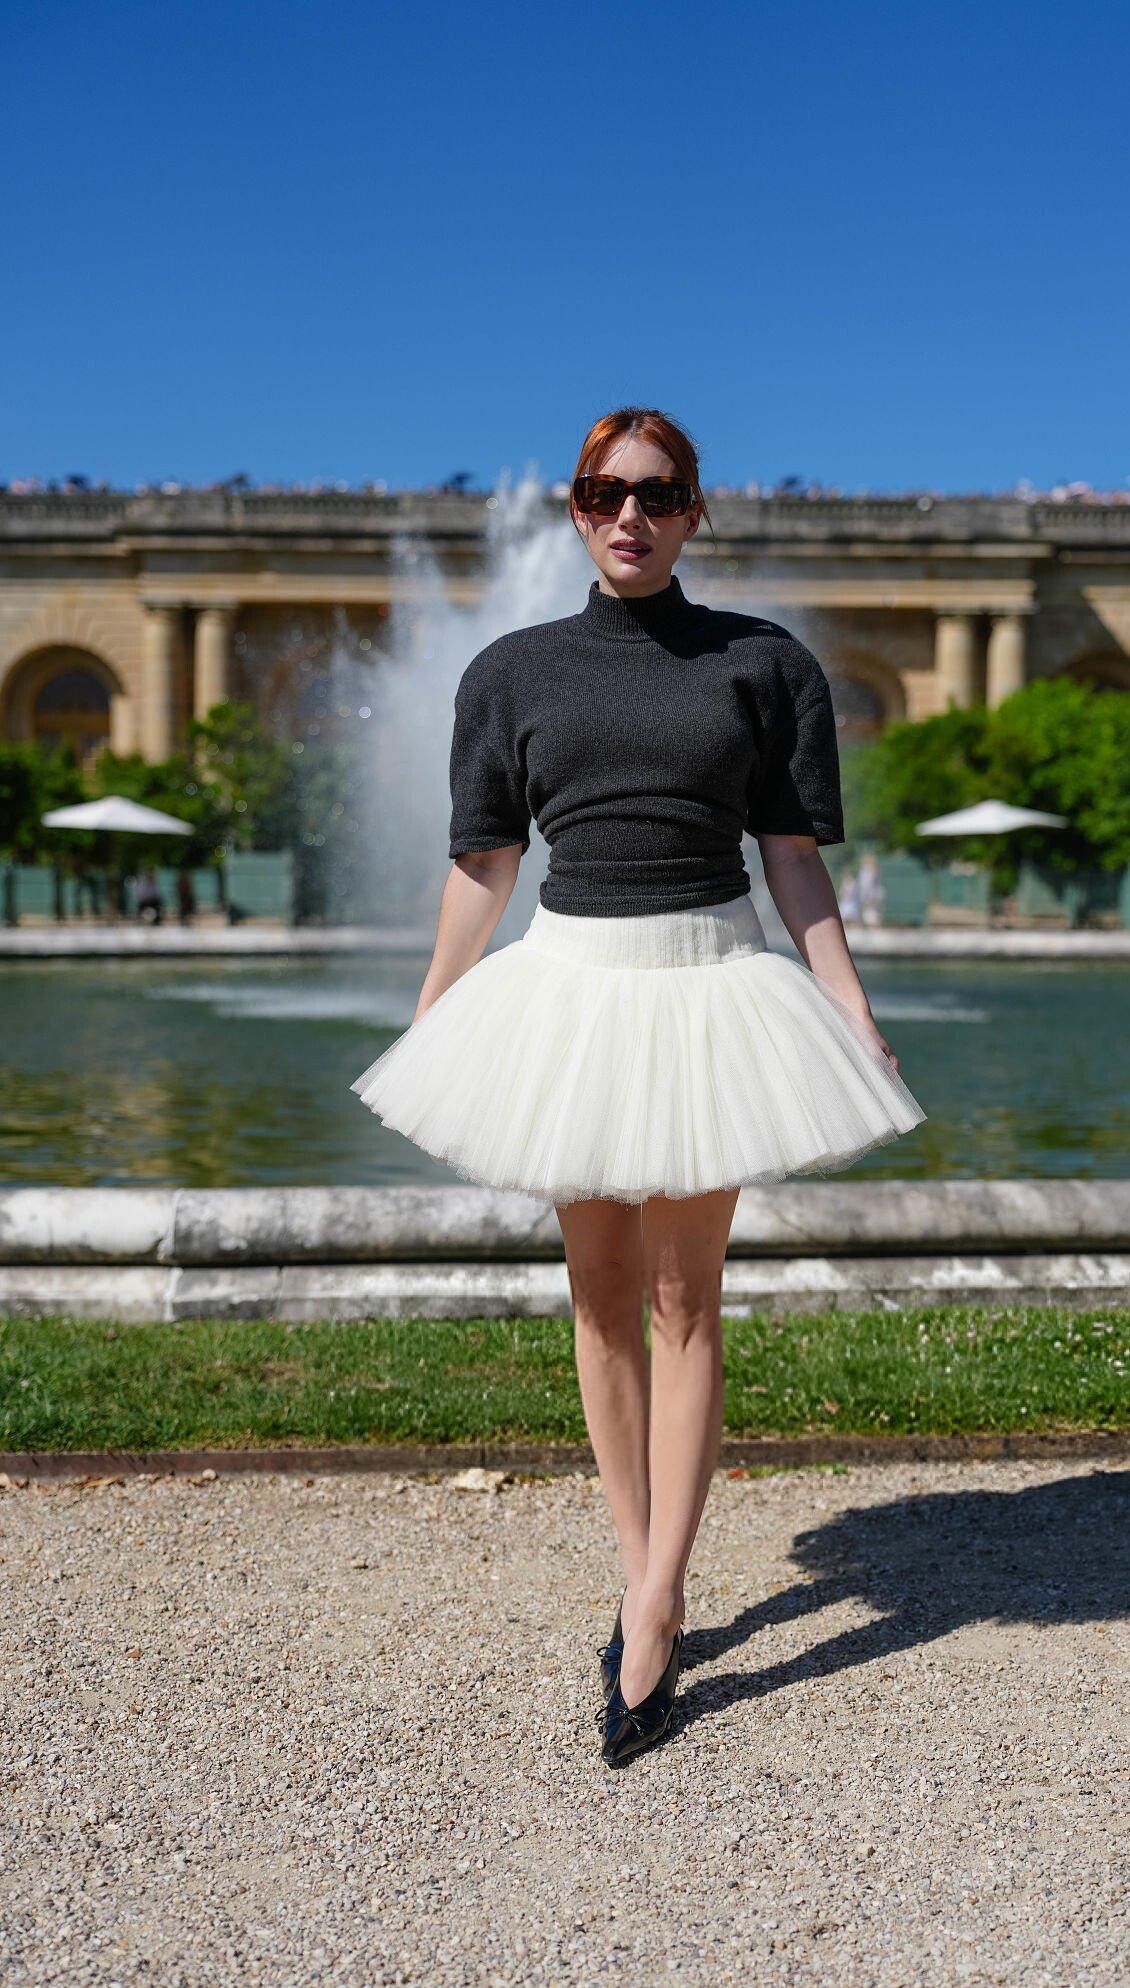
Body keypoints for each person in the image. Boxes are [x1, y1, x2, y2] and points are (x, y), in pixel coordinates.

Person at [350, 407, 926, 1767]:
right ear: (573, 509)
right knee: (600, 1296)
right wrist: (434, 1008)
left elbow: (792, 856)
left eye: (658, 495)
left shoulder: (762, 662)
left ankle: (659, 1600)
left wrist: (848, 1002)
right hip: (569, 989)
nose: (631, 516)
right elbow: (484, 863)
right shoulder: (509, 671)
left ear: (692, 513)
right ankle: (634, 1564)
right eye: (605, 493)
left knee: (684, 1298)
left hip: (709, 982)